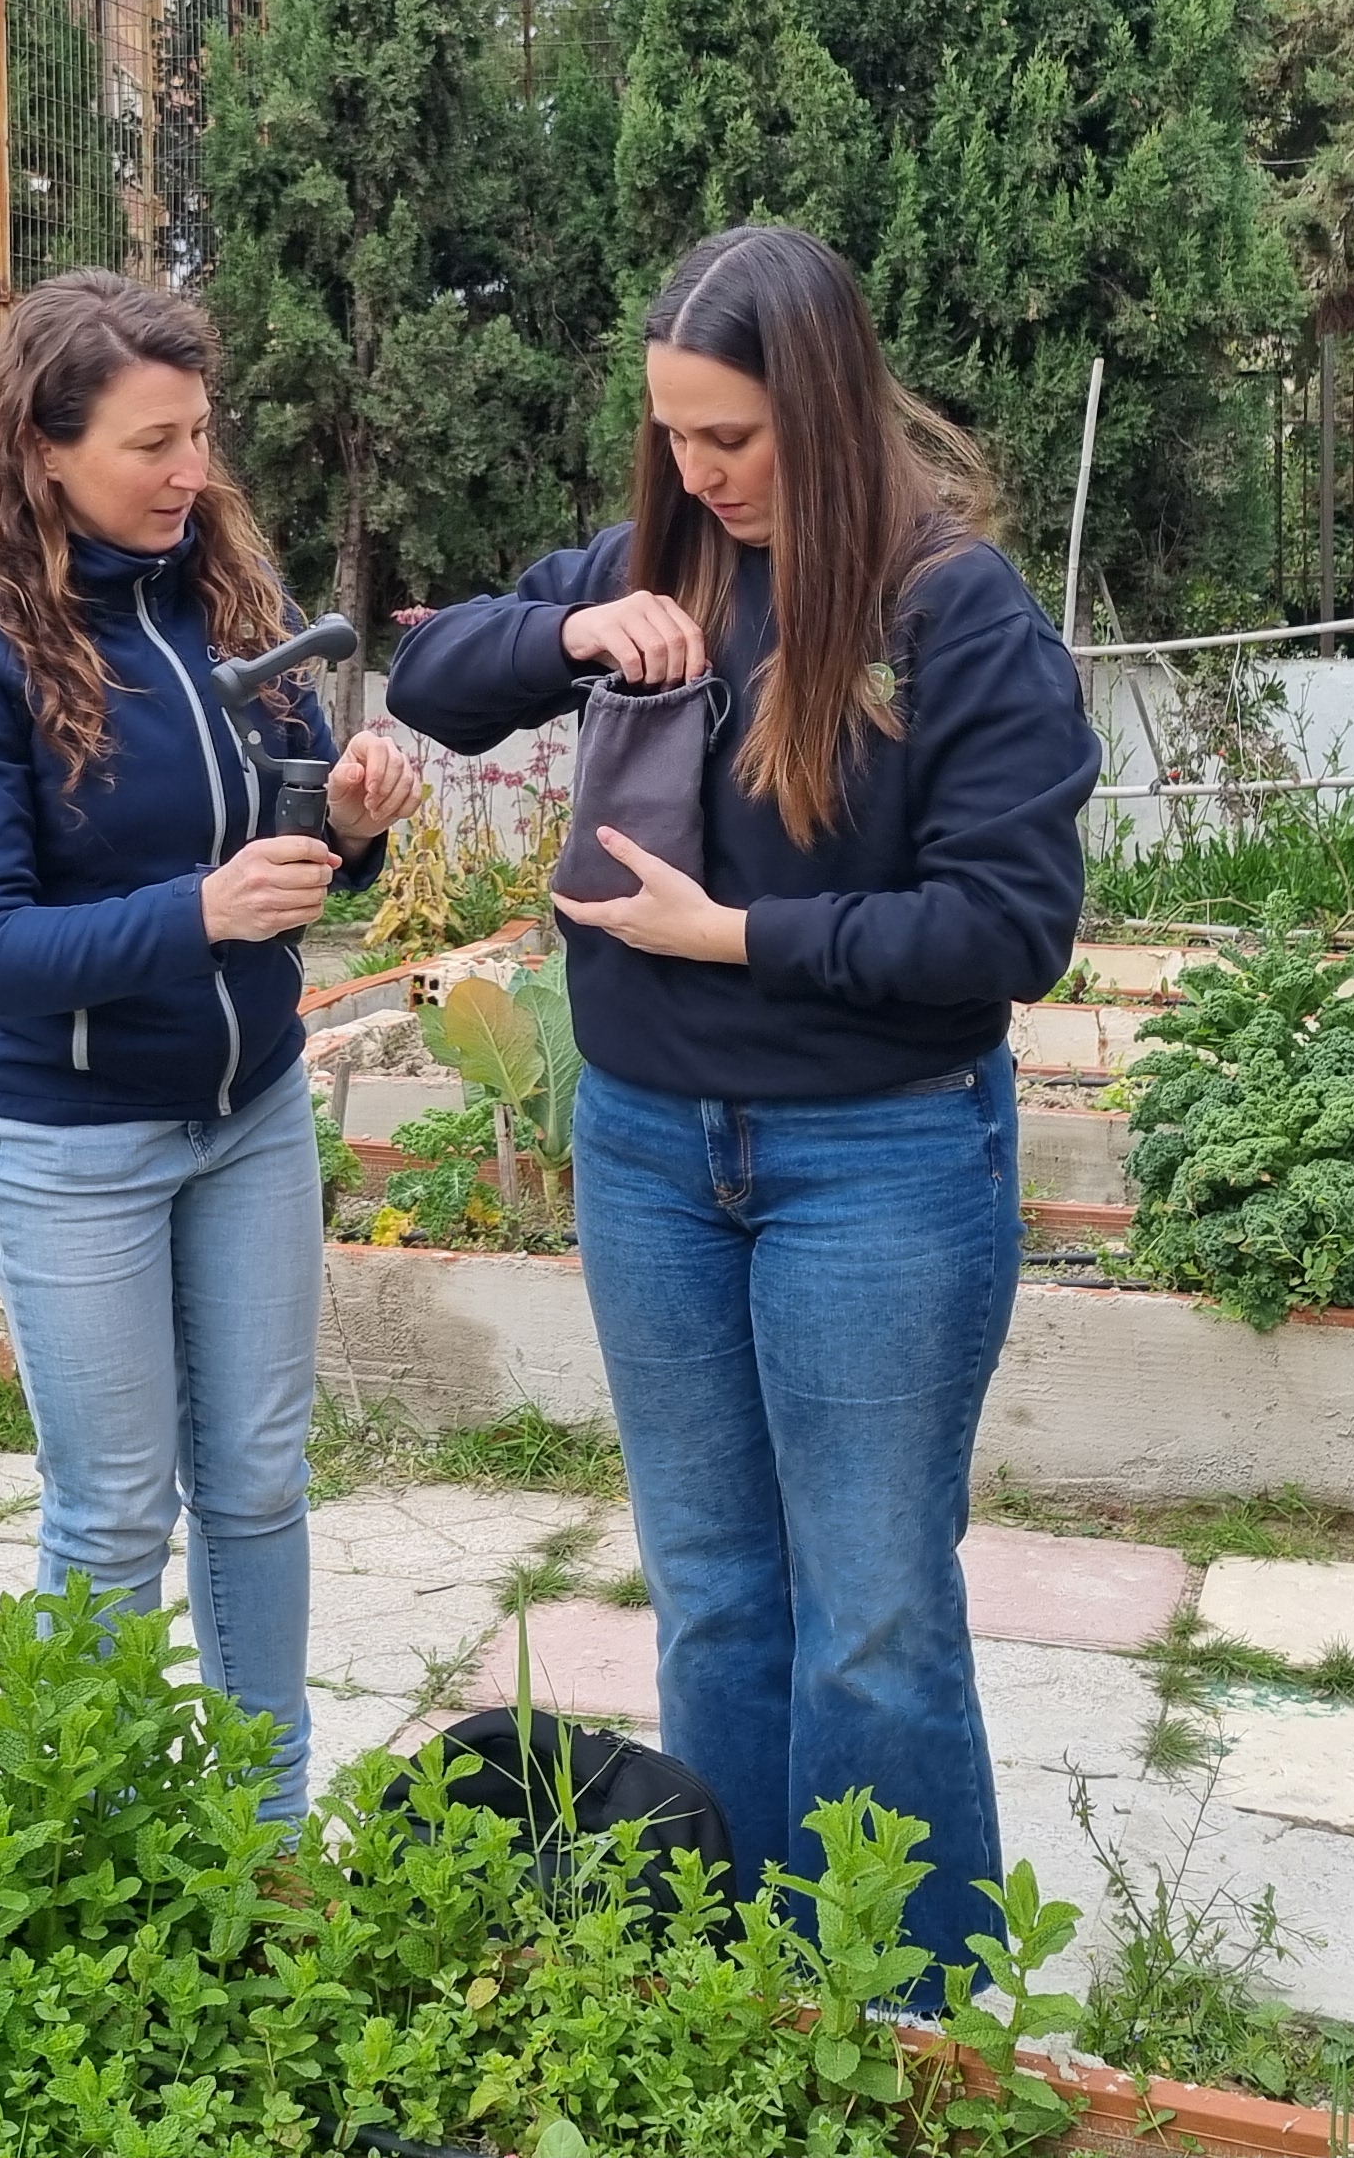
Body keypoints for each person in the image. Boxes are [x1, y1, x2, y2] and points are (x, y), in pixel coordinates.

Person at [385, 223, 1097, 1980]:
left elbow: (1014, 927)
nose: (700, 475)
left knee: (870, 1619)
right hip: (644, 1149)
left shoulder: (952, 613)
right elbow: (427, 681)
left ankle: (913, 2005)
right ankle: (736, 1985)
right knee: (711, 1590)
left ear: (830, 410)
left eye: (735, 440)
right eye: (677, 439)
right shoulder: (663, 565)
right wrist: (568, 625)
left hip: (876, 1160)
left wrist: (741, 936)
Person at [0, 269, 425, 1821]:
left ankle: (266, 1823)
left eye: (200, 435)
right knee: (112, 1516)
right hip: (76, 1146)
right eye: (152, 443)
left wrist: (353, 828)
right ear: (44, 450)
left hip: (249, 1113)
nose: (193, 474)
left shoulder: (217, 606)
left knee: (255, 1486)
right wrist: (199, 914)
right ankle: (97, 1837)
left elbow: (288, 848)